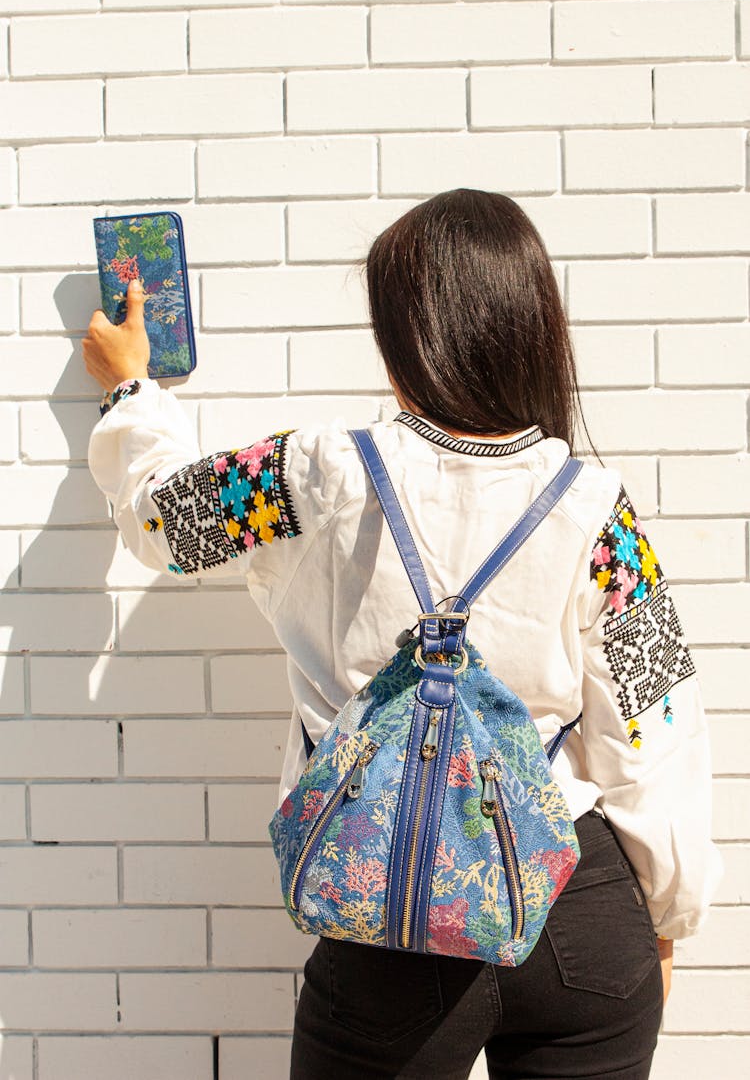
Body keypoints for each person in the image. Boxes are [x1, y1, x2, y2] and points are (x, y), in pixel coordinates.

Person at [83, 189, 722, 1080]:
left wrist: (129, 387)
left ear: (404, 343)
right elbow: (657, 727)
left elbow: (162, 517)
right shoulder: (597, 510)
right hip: (578, 914)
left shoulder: (313, 474)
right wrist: (667, 916)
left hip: (389, 920)